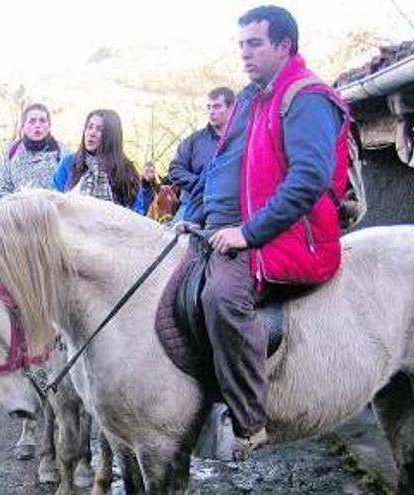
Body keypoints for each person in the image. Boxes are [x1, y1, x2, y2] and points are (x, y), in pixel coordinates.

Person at [185, 5, 351, 461]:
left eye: (254, 43)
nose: (244, 53)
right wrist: (196, 216)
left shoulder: (306, 96)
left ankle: (249, 419)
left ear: (284, 45)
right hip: (236, 225)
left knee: (221, 297)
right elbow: (223, 168)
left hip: (291, 235)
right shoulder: (254, 97)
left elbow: (309, 178)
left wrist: (247, 233)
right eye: (240, 45)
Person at [168, 87, 235, 221]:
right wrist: (201, 185)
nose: (211, 112)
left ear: (231, 107)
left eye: (217, 107)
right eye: (209, 107)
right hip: (191, 205)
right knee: (171, 238)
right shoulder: (194, 140)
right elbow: (175, 169)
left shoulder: (244, 140)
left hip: (228, 210)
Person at [52, 109, 139, 207]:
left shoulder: (126, 170)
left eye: (100, 129)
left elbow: (137, 212)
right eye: (89, 127)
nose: (92, 133)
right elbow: (54, 201)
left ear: (111, 136)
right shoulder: (69, 163)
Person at [0, 103, 63, 202]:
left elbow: (71, 190)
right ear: (23, 127)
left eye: (42, 121)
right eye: (32, 121)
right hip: (18, 214)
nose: (37, 125)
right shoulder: (9, 153)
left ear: (49, 126)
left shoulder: (63, 153)